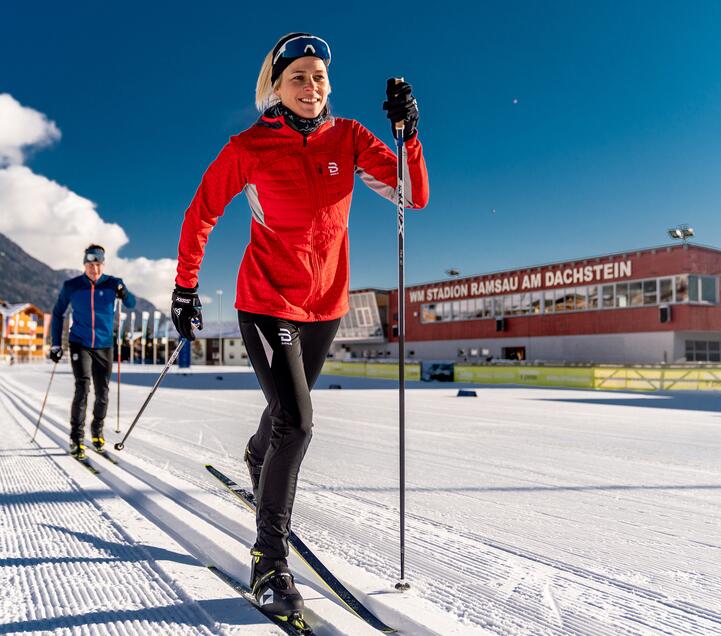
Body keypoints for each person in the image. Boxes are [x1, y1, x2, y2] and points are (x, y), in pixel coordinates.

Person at [170, 33, 427, 618]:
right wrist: (186, 286)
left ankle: (259, 455)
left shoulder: (352, 137)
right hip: (266, 299)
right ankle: (268, 558)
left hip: (325, 305)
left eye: (318, 77)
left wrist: (409, 137)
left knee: (286, 414)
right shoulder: (250, 146)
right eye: (298, 78)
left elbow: (413, 196)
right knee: (299, 420)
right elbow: (202, 211)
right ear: (275, 87)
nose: (312, 87)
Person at [50, 244, 136, 459]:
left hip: (105, 344)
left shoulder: (113, 284)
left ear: (103, 265)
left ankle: (97, 432)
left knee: (103, 392)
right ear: (84, 265)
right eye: (90, 265)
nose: (94, 270)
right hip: (79, 342)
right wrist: (55, 344)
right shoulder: (72, 286)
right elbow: (58, 313)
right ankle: (77, 438)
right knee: (82, 388)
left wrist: (124, 292)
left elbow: (131, 303)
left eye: (98, 265)